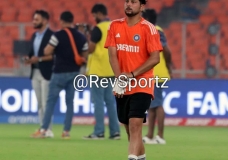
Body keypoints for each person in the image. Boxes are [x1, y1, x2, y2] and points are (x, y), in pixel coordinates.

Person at [104, 0, 163, 159]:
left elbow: (155, 58)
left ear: (142, 6)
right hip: (122, 84)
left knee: (135, 124)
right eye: (127, 1)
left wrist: (131, 75)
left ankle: (131, 157)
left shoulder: (148, 29)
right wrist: (120, 79)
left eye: (134, 2)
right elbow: (112, 55)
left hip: (142, 84)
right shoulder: (114, 26)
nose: (129, 4)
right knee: (130, 130)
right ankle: (140, 157)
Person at [31, 11, 88, 139]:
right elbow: (85, 55)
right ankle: (66, 131)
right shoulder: (81, 37)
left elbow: (47, 50)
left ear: (61, 21)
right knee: (70, 103)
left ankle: (44, 129)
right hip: (74, 72)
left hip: (59, 72)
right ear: (72, 20)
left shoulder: (57, 35)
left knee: (50, 102)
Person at [83, 3, 121, 140]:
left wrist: (86, 42)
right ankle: (115, 132)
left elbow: (92, 48)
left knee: (98, 101)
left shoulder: (98, 29)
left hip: (98, 71)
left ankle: (99, 131)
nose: (94, 18)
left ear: (99, 13)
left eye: (94, 15)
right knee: (110, 102)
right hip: (111, 69)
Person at [142, 9, 172, 144]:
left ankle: (160, 136)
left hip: (156, 72)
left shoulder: (155, 31)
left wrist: (168, 66)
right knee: (152, 105)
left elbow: (166, 51)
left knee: (158, 104)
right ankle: (150, 135)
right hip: (150, 73)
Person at [25, 10, 54, 138]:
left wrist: (39, 59)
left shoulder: (52, 36)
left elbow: (54, 55)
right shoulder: (34, 35)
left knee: (45, 103)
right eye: (34, 19)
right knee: (39, 103)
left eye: (37, 19)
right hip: (35, 71)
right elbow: (32, 53)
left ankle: (48, 129)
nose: (34, 21)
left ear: (45, 21)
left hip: (46, 72)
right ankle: (43, 127)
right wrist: (28, 58)